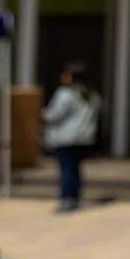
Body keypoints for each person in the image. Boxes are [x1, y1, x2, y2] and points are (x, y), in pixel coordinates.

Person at [40, 62, 101, 213]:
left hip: (65, 138)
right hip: (84, 138)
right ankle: (75, 197)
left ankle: (66, 199)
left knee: (66, 169)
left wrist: (41, 114)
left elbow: (54, 115)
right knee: (75, 168)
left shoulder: (65, 94)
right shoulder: (92, 95)